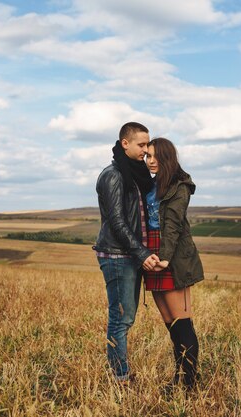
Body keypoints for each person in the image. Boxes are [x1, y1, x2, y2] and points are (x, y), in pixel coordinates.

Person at [94, 122, 161, 383]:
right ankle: (120, 376)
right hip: (117, 255)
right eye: (141, 145)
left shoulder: (133, 174)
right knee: (120, 318)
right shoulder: (113, 175)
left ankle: (118, 371)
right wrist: (142, 253)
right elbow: (117, 221)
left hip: (129, 255)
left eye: (147, 145)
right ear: (125, 143)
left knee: (126, 317)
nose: (145, 150)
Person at [144, 137, 204, 391]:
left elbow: (173, 224)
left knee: (182, 322)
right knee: (170, 322)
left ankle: (188, 382)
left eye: (156, 156)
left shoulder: (180, 186)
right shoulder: (151, 184)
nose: (151, 160)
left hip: (172, 255)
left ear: (168, 158)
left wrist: (165, 258)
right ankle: (180, 376)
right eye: (147, 155)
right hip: (152, 253)